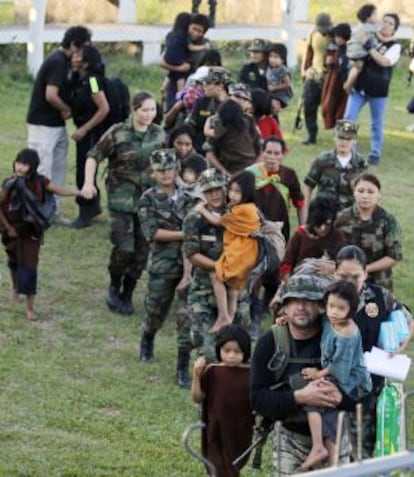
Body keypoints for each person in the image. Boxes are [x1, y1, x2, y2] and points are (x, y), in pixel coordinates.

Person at [250, 274, 353, 475]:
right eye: (294, 301)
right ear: (284, 307)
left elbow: (361, 390)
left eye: (308, 301)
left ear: (321, 306)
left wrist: (338, 396)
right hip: (290, 441)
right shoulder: (270, 342)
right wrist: (300, 397)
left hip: (335, 439)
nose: (300, 306)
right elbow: (257, 399)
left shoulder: (339, 340)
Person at [81, 91, 165, 315]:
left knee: (142, 252)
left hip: (149, 203)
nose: (149, 115)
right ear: (133, 110)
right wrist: (89, 184)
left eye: (153, 110)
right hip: (121, 200)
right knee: (124, 248)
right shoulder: (118, 132)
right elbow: (93, 156)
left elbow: (169, 166)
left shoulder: (159, 135)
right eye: (144, 110)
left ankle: (127, 292)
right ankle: (114, 285)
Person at [333, 245, 413, 457]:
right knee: (336, 450)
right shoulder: (324, 298)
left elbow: (407, 319)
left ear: (366, 273)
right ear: (334, 272)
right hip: (333, 387)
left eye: (355, 276)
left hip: (370, 388)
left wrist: (400, 345)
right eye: (343, 276)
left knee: (365, 452)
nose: (349, 282)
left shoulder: (379, 296)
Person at [0, 149, 80, 321]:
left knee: (29, 267)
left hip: (30, 232)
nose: (20, 167)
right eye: (19, 162)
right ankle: (15, 288)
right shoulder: (9, 183)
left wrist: (78, 192)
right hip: (11, 230)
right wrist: (7, 228)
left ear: (33, 166)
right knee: (13, 261)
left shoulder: (40, 182)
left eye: (25, 164)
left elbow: (58, 190)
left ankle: (29, 308)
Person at [300, 280, 372, 470]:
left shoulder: (347, 334)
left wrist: (318, 375)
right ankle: (328, 455)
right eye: (331, 305)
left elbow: (340, 365)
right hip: (336, 371)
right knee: (325, 405)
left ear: (351, 310)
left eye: (341, 308)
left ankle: (321, 449)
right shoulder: (330, 318)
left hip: (350, 377)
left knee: (319, 399)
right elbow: (317, 318)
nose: (334, 311)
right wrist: (284, 317)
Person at [138, 149, 193, 388]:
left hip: (190, 265)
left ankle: (182, 367)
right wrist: (184, 233)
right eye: (160, 171)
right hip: (163, 264)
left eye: (169, 169)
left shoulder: (189, 195)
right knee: (156, 310)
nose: (165, 175)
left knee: (186, 318)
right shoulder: (148, 199)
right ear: (153, 173)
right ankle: (147, 339)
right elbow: (153, 233)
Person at [183, 168, 251, 361]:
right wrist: (218, 268)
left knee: (241, 351)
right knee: (209, 351)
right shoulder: (194, 218)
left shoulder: (237, 212)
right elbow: (192, 254)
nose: (214, 194)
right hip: (204, 291)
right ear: (202, 194)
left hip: (236, 290)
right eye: (208, 191)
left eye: (217, 189)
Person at [26, 26, 91, 220]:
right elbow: (51, 94)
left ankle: (52, 210)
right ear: (73, 45)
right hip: (43, 123)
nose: (83, 54)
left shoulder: (71, 66)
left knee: (59, 167)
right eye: (82, 49)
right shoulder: (57, 62)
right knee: (42, 167)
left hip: (56, 125)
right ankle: (37, 211)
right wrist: (66, 109)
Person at [195, 171, 260, 332]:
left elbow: (218, 222)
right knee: (232, 287)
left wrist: (202, 210)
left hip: (240, 253)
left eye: (237, 192)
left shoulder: (240, 210)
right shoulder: (250, 208)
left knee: (216, 275)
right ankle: (229, 317)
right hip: (247, 254)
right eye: (231, 190)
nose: (232, 195)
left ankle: (223, 315)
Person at [192, 324, 254, 477]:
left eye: (237, 351)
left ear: (245, 352)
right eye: (226, 351)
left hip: (240, 431)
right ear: (219, 350)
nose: (231, 355)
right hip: (215, 430)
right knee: (218, 469)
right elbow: (197, 397)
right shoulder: (212, 371)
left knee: (232, 467)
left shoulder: (251, 374)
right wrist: (196, 375)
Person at [344, 13, 401, 165]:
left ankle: (375, 153)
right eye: (385, 21)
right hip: (359, 88)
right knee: (349, 118)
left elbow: (384, 61)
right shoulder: (369, 37)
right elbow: (357, 62)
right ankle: (347, 149)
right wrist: (349, 83)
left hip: (378, 91)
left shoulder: (395, 46)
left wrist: (369, 46)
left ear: (394, 29)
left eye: (390, 24)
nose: (386, 25)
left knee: (376, 123)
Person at [335, 173, 402, 291]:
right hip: (347, 281)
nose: (365, 196)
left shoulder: (387, 221)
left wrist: (366, 269)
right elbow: (332, 249)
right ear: (354, 192)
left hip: (379, 284)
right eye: (360, 191)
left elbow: (393, 256)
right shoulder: (341, 218)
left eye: (370, 192)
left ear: (379, 194)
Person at [70, 44, 110, 229]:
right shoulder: (81, 78)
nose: (74, 56)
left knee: (84, 170)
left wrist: (85, 129)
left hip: (91, 132)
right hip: (87, 129)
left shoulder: (93, 80)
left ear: (86, 62)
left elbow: (104, 108)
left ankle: (85, 212)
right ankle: (93, 206)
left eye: (78, 55)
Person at [303, 119, 367, 221]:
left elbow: (366, 193)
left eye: (348, 139)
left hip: (349, 219)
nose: (344, 142)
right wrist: (305, 217)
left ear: (355, 141)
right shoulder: (323, 160)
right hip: (323, 216)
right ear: (334, 138)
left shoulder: (360, 163)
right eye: (340, 137)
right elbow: (308, 186)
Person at [280, 196, 346, 281]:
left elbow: (347, 263)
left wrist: (334, 268)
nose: (322, 228)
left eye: (327, 224)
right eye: (318, 224)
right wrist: (288, 282)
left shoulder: (337, 236)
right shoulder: (301, 235)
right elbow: (286, 263)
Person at [160, 13, 211, 111]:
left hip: (195, 86)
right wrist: (179, 68)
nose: (195, 33)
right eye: (194, 29)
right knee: (171, 109)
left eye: (199, 31)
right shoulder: (180, 38)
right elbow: (162, 62)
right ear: (188, 26)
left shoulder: (204, 45)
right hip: (175, 82)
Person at [203, 100, 261, 175]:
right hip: (249, 164)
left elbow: (207, 132)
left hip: (233, 168)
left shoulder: (223, 129)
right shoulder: (248, 123)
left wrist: (208, 120)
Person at [301, 13, 332, 145]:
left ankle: (343, 138)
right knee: (309, 105)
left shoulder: (336, 35)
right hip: (314, 75)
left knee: (334, 108)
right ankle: (311, 135)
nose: (323, 31)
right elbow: (308, 52)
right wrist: (304, 70)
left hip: (331, 77)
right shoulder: (313, 33)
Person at [187, 66, 230, 154]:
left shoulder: (233, 106)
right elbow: (190, 126)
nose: (204, 86)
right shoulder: (201, 102)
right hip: (199, 150)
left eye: (208, 83)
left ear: (220, 86)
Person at [343, 4, 379, 94]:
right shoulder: (369, 27)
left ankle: (351, 84)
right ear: (367, 17)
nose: (376, 17)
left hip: (351, 50)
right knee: (358, 68)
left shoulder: (359, 26)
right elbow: (379, 36)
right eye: (374, 14)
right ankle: (348, 85)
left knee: (354, 68)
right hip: (358, 52)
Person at [321, 23, 352, 129]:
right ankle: (337, 132)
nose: (337, 39)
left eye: (339, 37)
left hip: (347, 81)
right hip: (333, 81)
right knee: (328, 106)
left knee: (345, 111)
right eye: (336, 36)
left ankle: (346, 137)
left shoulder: (351, 48)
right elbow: (327, 63)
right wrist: (328, 62)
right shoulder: (333, 47)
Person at [266, 42, 293, 108]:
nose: (272, 59)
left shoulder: (282, 69)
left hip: (281, 97)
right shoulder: (269, 68)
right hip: (273, 95)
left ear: (282, 60)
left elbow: (287, 84)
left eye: (276, 57)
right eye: (271, 56)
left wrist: (274, 88)